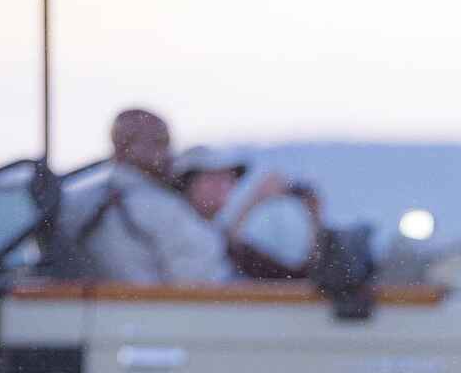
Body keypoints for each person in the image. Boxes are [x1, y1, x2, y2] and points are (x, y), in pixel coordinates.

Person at [59, 108, 231, 284]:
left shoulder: (75, 200)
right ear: (125, 147)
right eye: (159, 143)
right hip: (158, 307)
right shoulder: (162, 207)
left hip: (98, 306)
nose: (168, 154)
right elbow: (208, 279)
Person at [171, 145, 323, 280]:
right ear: (185, 184)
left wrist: (313, 218)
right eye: (211, 179)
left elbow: (288, 276)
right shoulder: (180, 227)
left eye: (228, 178)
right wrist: (255, 200)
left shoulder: (210, 228)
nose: (223, 186)